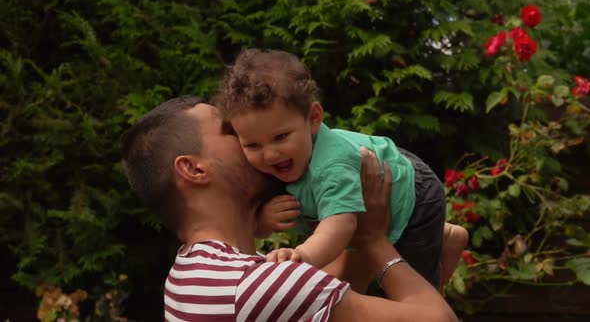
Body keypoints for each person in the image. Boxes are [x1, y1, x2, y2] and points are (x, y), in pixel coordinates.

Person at [121, 95, 459, 321]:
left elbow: (327, 296)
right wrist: (372, 239)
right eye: (230, 130)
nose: (249, 136)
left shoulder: (189, 278)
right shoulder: (253, 286)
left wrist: (348, 217)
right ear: (194, 169)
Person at [213, 49, 469, 291]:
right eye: (253, 144)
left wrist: (304, 255)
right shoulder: (271, 162)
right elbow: (254, 212)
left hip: (414, 198)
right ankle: (444, 234)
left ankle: (439, 246)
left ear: (313, 119)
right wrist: (264, 220)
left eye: (280, 137)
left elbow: (341, 224)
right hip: (372, 191)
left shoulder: (332, 166)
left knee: (409, 284)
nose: (269, 154)